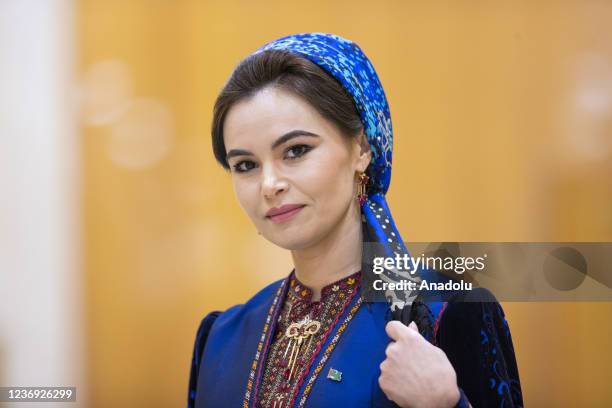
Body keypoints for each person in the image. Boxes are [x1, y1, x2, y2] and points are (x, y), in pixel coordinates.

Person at [187, 33, 523, 408]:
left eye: (296, 151)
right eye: (245, 165)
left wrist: (445, 404)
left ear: (362, 148)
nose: (269, 185)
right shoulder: (222, 338)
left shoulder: (445, 311)